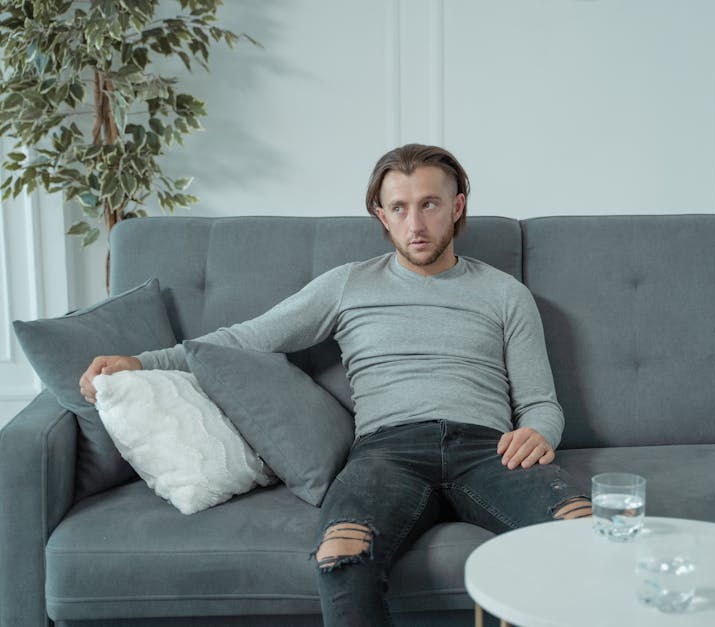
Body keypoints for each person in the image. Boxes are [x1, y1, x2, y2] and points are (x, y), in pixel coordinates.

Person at [79, 143, 592, 626]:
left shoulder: (506, 294)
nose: (415, 224)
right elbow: (244, 339)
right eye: (399, 208)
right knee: (341, 553)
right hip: (387, 452)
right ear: (381, 215)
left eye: (430, 204)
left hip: (490, 449)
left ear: (457, 207)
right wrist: (142, 363)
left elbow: (541, 403)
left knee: (591, 534)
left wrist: (540, 432)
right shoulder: (348, 284)